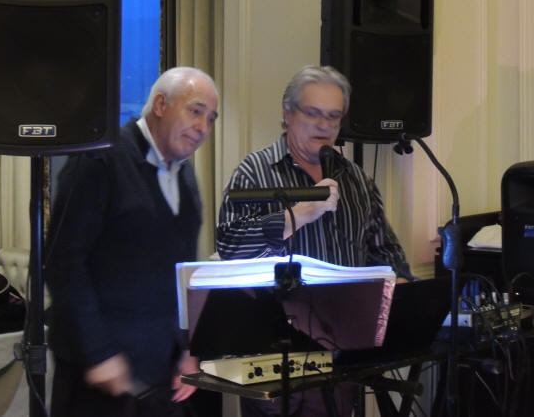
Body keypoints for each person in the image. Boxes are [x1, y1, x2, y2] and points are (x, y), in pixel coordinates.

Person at [216, 65, 413, 416]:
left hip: (342, 356)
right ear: (287, 113)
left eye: (333, 117)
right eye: (313, 113)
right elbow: (230, 245)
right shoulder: (254, 171)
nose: (323, 126)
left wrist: (397, 281)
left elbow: (385, 250)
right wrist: (298, 214)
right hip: (275, 359)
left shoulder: (356, 180)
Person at [46, 66, 219, 417]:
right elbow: (63, 263)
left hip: (161, 371)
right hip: (97, 375)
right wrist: (99, 354)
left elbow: (181, 273)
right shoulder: (99, 158)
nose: (203, 127)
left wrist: (188, 348)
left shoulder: (184, 173)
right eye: (195, 111)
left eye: (211, 119)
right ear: (160, 104)